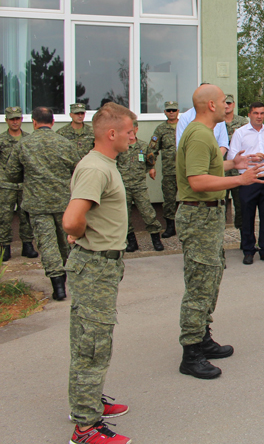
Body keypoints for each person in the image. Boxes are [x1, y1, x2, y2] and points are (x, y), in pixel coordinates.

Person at [176, 85, 264, 379]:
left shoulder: (201, 133)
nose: (228, 106)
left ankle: (202, 337)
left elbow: (207, 170)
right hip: (198, 215)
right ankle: (191, 353)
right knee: (200, 284)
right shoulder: (200, 135)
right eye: (224, 102)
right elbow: (198, 181)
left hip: (207, 216)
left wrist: (232, 163)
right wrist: (240, 180)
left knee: (211, 277)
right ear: (210, 105)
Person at [62, 102, 137, 444]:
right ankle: (85, 427)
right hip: (94, 265)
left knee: (91, 340)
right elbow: (71, 219)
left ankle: (87, 403)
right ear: (112, 133)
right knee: (93, 344)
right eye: (129, 131)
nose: (133, 137)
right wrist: (78, 232)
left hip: (102, 265)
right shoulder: (96, 168)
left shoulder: (104, 163)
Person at [3, 106, 80, 300]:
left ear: (34, 122)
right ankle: (69, 279)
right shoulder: (65, 143)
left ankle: (58, 287)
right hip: (63, 202)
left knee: (47, 245)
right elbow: (78, 170)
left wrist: (29, 176)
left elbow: (11, 174)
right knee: (65, 242)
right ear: (53, 122)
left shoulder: (23, 144)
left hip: (37, 205)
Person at [228, 101, 264, 264]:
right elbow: (232, 157)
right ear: (249, 114)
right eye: (256, 113)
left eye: (262, 113)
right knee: (247, 216)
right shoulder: (240, 133)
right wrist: (250, 158)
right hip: (248, 178)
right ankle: (248, 250)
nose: (259, 117)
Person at [117, 120, 164, 252]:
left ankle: (156, 239)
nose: (130, 134)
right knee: (124, 215)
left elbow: (150, 161)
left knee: (148, 213)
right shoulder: (120, 147)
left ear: (136, 130)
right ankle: (132, 241)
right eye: (127, 131)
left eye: (131, 131)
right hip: (123, 187)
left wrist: (152, 169)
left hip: (139, 187)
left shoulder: (143, 146)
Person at [1, 106, 35, 261]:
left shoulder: (29, 139)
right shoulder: (1, 140)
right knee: (5, 217)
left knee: (26, 216)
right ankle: (5, 247)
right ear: (6, 120)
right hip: (6, 185)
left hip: (25, 184)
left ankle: (27, 245)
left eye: (18, 119)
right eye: (12, 119)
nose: (15, 122)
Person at [147, 101, 180, 238]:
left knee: (191, 198)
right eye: (169, 110)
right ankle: (170, 227)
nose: (171, 112)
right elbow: (152, 149)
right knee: (169, 200)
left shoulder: (186, 126)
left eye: (174, 110)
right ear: (165, 112)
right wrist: (151, 166)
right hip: (169, 171)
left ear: (178, 111)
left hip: (186, 170)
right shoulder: (160, 129)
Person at [223, 94, 248, 230]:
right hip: (221, 171)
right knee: (220, 206)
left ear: (233, 104)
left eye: (229, 103)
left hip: (238, 171)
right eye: (224, 103)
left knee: (241, 205)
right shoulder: (217, 122)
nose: (227, 106)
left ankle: (243, 237)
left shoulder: (242, 122)